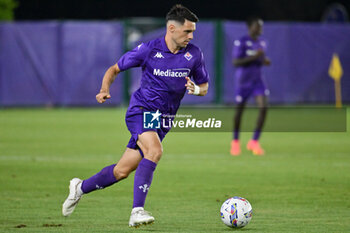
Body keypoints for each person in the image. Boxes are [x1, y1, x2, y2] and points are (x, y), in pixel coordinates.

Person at [62, 4, 209, 227]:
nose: (191, 36)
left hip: (163, 119)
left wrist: (196, 90)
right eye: (187, 31)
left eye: (193, 32)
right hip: (142, 111)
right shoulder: (149, 49)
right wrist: (104, 89)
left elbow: (205, 86)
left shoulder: (194, 54)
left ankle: (79, 187)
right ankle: (136, 211)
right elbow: (114, 69)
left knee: (122, 171)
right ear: (171, 28)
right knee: (155, 150)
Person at [230, 17, 271, 156]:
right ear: (250, 27)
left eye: (261, 26)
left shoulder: (263, 42)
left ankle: (254, 141)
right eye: (258, 26)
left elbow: (260, 58)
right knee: (239, 112)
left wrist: (264, 60)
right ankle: (235, 142)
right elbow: (236, 62)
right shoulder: (241, 42)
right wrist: (255, 57)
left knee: (264, 107)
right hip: (244, 81)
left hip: (258, 80)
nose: (260, 29)